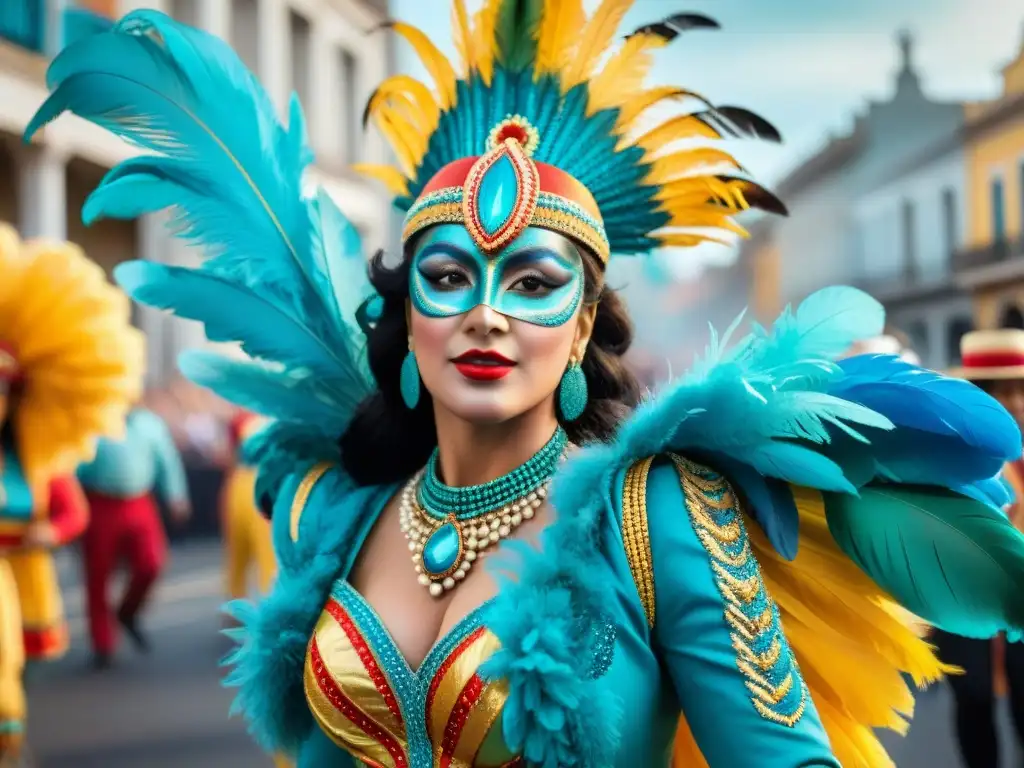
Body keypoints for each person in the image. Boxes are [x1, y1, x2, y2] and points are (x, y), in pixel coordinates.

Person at [29, 4, 1024, 766]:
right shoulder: (353, 509)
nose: (486, 314)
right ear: (408, 314)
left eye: (535, 284)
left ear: (585, 322)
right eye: (449, 277)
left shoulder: (658, 515)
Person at [0, 224, 142, 762]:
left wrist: (47, 531)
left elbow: (72, 514)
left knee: (22, 676)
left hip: (29, 579)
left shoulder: (38, 460)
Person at [940, 328, 1024, 768]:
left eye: (1019, 389)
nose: (1012, 401)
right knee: (973, 701)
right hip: (963, 600)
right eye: (997, 390)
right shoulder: (947, 452)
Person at [76, 406, 191, 668]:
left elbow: (167, 460)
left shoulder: (150, 423)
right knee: (98, 574)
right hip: (99, 503)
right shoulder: (90, 421)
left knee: (151, 563)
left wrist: (176, 495)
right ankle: (102, 643)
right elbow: (75, 466)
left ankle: (127, 611)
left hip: (140, 501)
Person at [221, 410, 276, 603]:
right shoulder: (239, 419)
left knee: (267, 549)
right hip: (241, 487)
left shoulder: (280, 414)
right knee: (238, 551)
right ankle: (235, 602)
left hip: (267, 485)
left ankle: (269, 603)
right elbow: (230, 458)